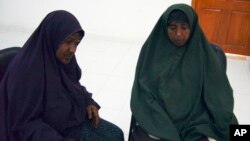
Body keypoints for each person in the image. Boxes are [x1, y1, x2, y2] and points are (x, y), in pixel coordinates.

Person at [0, 10, 124, 141]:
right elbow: (24, 125)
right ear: (53, 37)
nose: (72, 49)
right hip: (49, 133)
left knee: (116, 134)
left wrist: (88, 101)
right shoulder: (26, 72)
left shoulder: (62, 58)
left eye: (76, 43)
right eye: (68, 42)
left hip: (68, 121)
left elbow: (73, 85)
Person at [130, 4, 238, 141]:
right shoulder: (151, 52)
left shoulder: (205, 54)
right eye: (172, 28)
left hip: (196, 121)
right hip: (158, 118)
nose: (179, 34)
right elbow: (143, 92)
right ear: (164, 27)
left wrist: (227, 124)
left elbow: (219, 94)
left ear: (192, 27)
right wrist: (160, 122)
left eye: (184, 28)